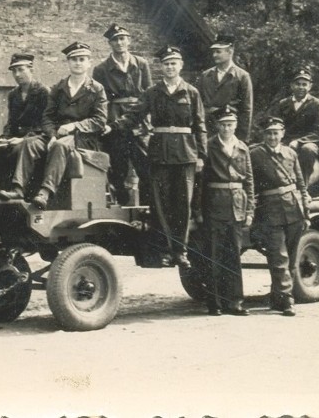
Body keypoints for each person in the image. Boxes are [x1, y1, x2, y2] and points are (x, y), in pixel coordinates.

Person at [110, 45, 206, 268]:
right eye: (166, 64)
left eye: (174, 63)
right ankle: (163, 250)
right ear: (161, 67)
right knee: (160, 204)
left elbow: (200, 125)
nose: (170, 67)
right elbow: (134, 116)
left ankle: (180, 251)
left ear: (180, 66)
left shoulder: (191, 92)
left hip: (185, 153)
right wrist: (113, 127)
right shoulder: (152, 92)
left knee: (183, 204)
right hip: (160, 153)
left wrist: (201, 155)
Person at [0, 42, 107, 210]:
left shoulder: (97, 89)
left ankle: (45, 192)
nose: (78, 63)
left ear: (89, 63)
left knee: (59, 146)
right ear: (68, 62)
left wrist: (74, 126)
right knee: (29, 143)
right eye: (73, 60)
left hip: (83, 138)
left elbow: (100, 121)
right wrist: (52, 135)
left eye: (81, 59)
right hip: (57, 134)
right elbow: (47, 117)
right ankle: (18, 189)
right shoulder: (58, 88)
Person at [250, 116, 310, 317]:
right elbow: (250, 183)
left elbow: (301, 184)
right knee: (278, 256)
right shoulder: (255, 154)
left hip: (294, 209)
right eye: (269, 133)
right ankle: (287, 300)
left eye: (276, 133)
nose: (272, 137)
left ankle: (278, 296)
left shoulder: (291, 153)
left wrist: (306, 211)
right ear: (263, 135)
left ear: (282, 134)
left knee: (291, 257)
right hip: (270, 210)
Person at [201, 105, 254, 316]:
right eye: (223, 124)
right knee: (213, 255)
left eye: (230, 124)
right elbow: (200, 182)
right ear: (217, 126)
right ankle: (214, 303)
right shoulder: (208, 146)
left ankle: (235, 302)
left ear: (236, 125)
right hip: (214, 204)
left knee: (234, 256)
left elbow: (249, 180)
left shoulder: (242, 148)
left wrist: (250, 210)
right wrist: (198, 210)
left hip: (237, 207)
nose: (226, 128)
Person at [93, 23, 153, 205]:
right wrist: (106, 123)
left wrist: (147, 121)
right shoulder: (101, 69)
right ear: (110, 44)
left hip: (139, 122)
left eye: (122, 39)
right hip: (115, 120)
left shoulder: (141, 64)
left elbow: (148, 94)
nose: (119, 43)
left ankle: (148, 208)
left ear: (129, 41)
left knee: (145, 165)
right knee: (118, 168)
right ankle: (122, 208)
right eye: (115, 40)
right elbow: (99, 99)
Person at [0, 53, 49, 195]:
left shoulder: (43, 92)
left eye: (21, 69)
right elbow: (11, 123)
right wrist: (4, 137)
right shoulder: (13, 94)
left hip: (37, 139)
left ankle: (17, 190)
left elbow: (45, 124)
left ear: (31, 70)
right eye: (14, 71)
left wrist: (23, 138)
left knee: (18, 149)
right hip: (15, 140)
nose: (17, 74)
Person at [266, 67, 319, 185]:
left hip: (308, 142)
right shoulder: (283, 104)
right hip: (285, 140)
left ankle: (303, 186)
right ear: (292, 86)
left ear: (310, 86)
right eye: (298, 84)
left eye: (304, 84)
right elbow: (276, 124)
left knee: (307, 150)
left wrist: (299, 141)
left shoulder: (317, 104)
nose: (301, 87)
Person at [196, 35, 253, 141]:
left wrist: (243, 139)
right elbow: (198, 105)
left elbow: (246, 110)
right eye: (213, 52)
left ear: (230, 51)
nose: (214, 55)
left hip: (229, 129)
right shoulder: (205, 76)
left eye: (218, 51)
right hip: (208, 129)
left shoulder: (242, 76)